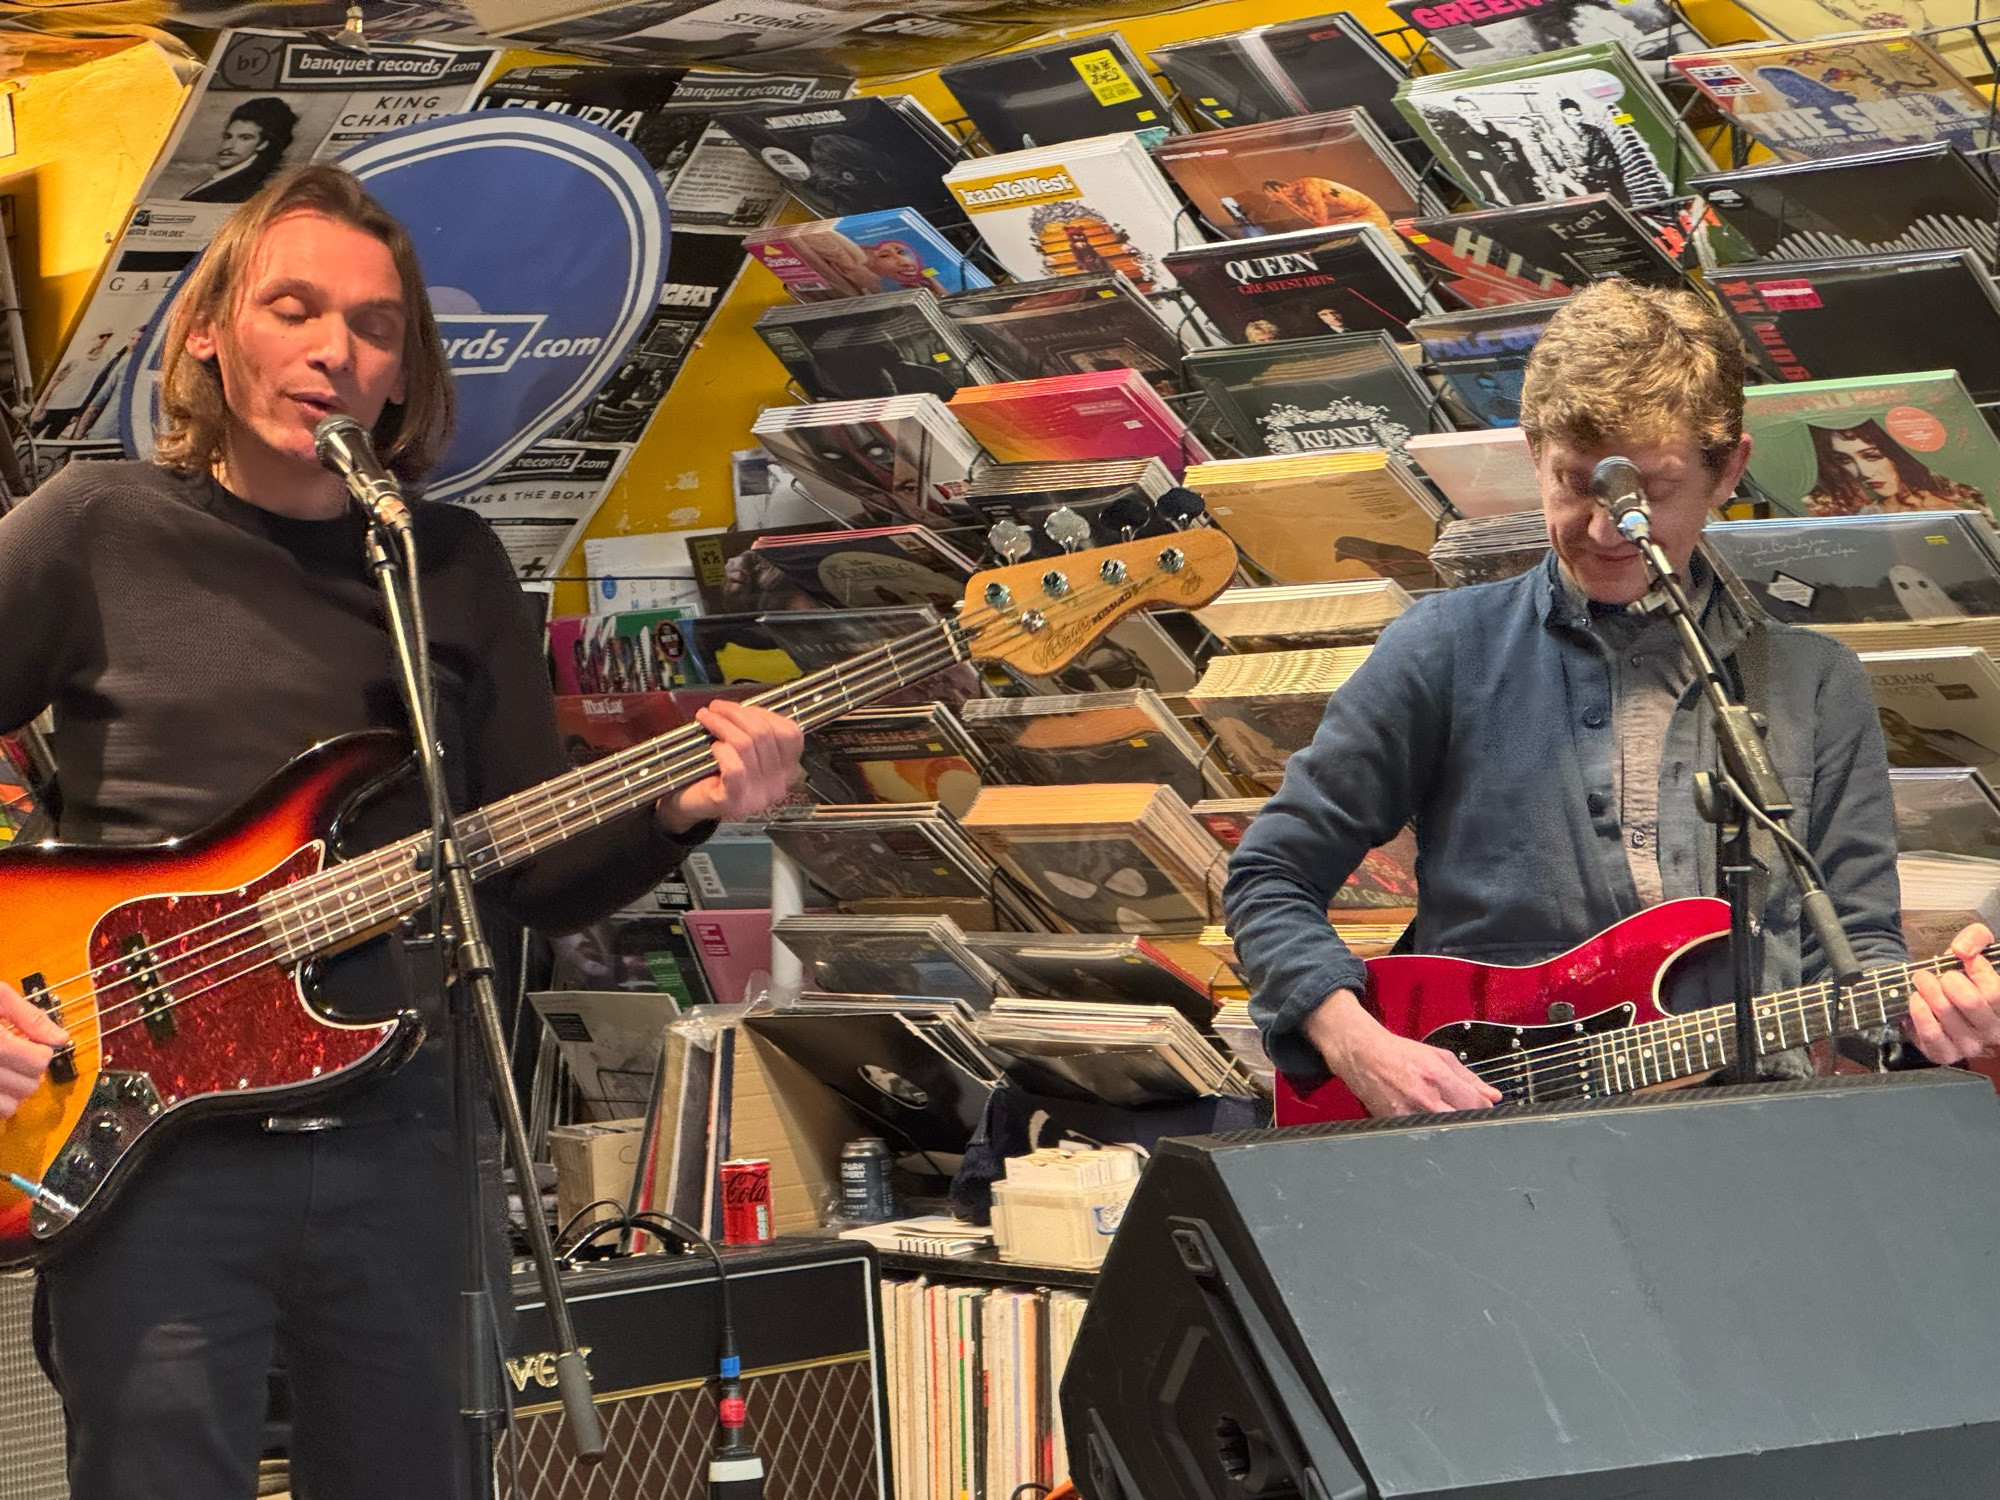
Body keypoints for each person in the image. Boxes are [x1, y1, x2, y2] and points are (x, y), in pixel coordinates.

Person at [0, 164, 804, 1498]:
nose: (334, 350)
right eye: (294, 308)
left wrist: (678, 807)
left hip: (403, 1147)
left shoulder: (450, 563)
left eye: (375, 328)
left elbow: (531, 873)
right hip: (154, 1152)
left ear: (403, 372)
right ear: (208, 327)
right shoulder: (96, 528)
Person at [1223, 280, 2000, 1119]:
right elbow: (1269, 876)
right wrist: (1354, 1041)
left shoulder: (1817, 682)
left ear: (1728, 468)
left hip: (1757, 1139)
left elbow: (1858, 951)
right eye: (1574, 483)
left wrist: (1929, 1016)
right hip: (1492, 1134)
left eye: (1649, 493)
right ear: (1533, 454)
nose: (1604, 528)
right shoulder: (1445, 647)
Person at [1802, 419, 1986, 515]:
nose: (1864, 472)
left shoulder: (1950, 508)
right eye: (1845, 460)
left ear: (1897, 454)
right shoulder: (1865, 516)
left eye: (1872, 457)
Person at [183, 96, 299, 204]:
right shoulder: (232, 178)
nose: (229, 146)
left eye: (245, 138)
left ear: (263, 144)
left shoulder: (248, 188)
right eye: (228, 137)